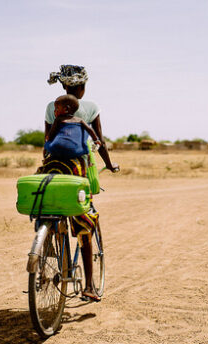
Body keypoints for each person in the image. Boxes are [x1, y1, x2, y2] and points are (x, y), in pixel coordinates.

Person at [37, 64, 119, 302]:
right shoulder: (90, 107)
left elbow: (47, 139)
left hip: (53, 166)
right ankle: (90, 286)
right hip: (78, 169)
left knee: (45, 202)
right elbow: (99, 141)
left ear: (63, 86)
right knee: (84, 219)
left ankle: (45, 241)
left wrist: (47, 160)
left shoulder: (53, 107)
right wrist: (110, 164)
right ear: (82, 88)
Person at [44, 94, 102, 159]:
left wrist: (48, 139)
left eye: (56, 108)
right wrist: (96, 140)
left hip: (58, 148)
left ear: (66, 109)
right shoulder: (80, 120)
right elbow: (90, 130)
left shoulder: (58, 119)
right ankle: (87, 160)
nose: (54, 111)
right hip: (75, 150)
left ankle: (46, 156)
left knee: (47, 144)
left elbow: (52, 133)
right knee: (85, 149)